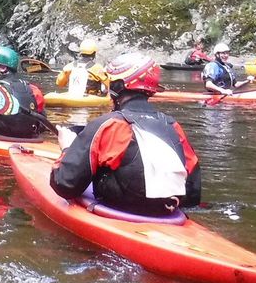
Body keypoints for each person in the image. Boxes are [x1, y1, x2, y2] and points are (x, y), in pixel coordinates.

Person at [50, 52, 201, 216]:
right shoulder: (172, 125)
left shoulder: (109, 125)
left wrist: (66, 149)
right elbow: (193, 193)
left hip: (121, 207)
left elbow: (65, 184)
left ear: (118, 87)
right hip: (168, 210)